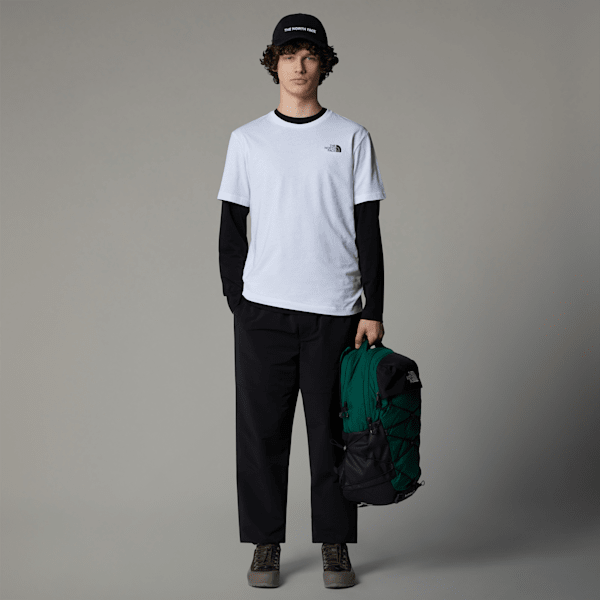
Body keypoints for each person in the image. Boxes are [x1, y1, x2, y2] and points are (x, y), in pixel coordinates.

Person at [217, 13, 386, 589]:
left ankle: (335, 544)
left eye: (309, 55)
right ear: (274, 63)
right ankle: (265, 544)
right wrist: (239, 301)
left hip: (336, 311)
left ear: (324, 63)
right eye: (288, 55)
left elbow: (368, 231)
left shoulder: (352, 136)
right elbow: (231, 228)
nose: (299, 65)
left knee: (332, 435)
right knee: (260, 434)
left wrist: (372, 308)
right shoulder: (247, 140)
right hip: (262, 313)